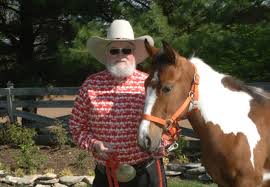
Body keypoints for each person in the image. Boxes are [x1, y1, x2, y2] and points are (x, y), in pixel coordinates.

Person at [69, 19, 167, 187]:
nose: (120, 55)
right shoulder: (90, 85)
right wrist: (94, 144)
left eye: (126, 50)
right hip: (106, 174)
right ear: (107, 54)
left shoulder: (149, 84)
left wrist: (162, 143)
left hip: (146, 173)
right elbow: (76, 127)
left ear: (133, 54)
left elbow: (170, 123)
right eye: (114, 50)